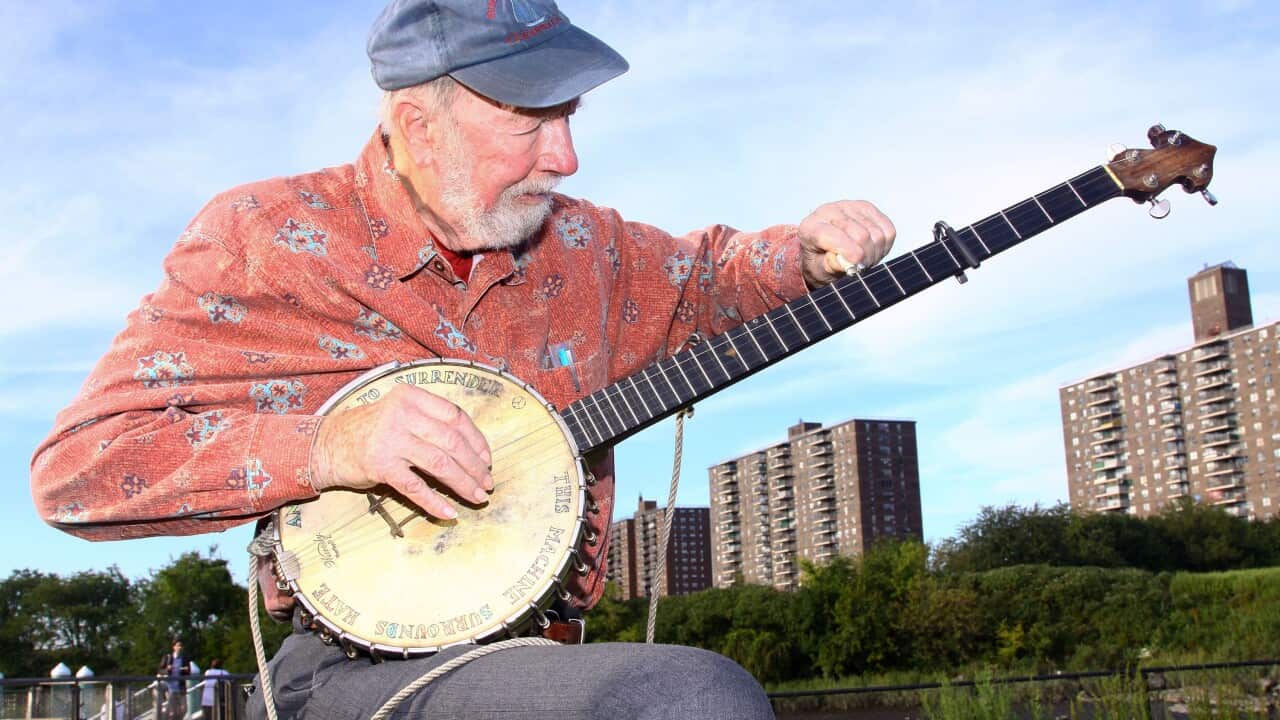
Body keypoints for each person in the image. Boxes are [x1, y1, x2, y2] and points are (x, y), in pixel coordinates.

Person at [30, 1, 895, 718]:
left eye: (568, 118)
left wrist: (804, 255)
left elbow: (708, 279)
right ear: (416, 123)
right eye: (528, 121)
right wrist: (329, 447)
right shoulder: (266, 242)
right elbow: (79, 470)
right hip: (344, 677)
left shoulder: (585, 248)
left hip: (549, 664)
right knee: (687, 697)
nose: (564, 157)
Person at [157, 639, 191, 720]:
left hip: (181, 687)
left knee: (184, 709)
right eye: (178, 645)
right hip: (170, 687)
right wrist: (167, 669)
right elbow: (159, 670)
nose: (180, 647)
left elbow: (188, 673)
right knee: (171, 711)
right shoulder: (168, 657)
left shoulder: (185, 659)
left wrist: (187, 670)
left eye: (181, 646)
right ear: (174, 647)